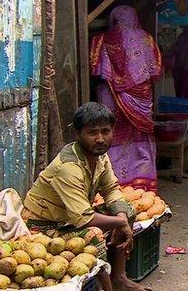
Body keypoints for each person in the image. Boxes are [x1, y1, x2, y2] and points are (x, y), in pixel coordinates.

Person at [22, 103, 148, 291]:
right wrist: (120, 224)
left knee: (126, 209)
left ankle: (119, 278)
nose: (100, 139)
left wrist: (121, 218)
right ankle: (107, 288)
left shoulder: (99, 156)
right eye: (92, 133)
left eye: (105, 131)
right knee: (93, 235)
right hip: (41, 224)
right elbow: (83, 219)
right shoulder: (67, 167)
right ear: (78, 134)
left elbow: (111, 190)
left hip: (70, 218)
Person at [90, 5, 162, 193]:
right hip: (141, 99)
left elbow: (95, 69)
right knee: (140, 136)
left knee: (112, 134)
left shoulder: (102, 39)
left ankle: (113, 182)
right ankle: (143, 182)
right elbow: (155, 71)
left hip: (111, 96)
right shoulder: (146, 38)